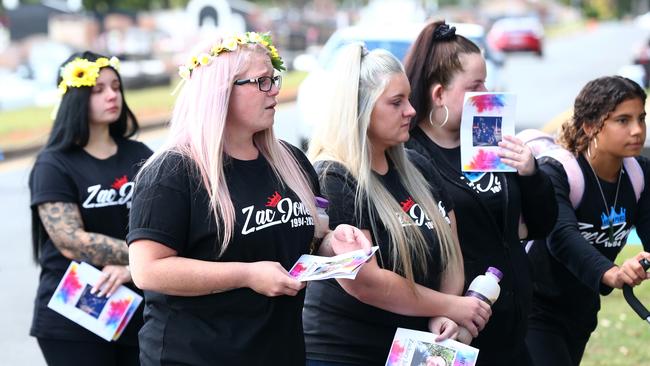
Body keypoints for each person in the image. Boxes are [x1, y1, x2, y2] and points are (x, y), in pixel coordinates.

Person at [126, 32, 369, 366]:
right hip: (195, 356)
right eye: (262, 82)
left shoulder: (290, 161)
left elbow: (306, 240)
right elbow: (148, 270)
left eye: (274, 79)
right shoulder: (173, 172)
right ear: (221, 90)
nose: (275, 90)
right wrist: (246, 275)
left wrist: (333, 244)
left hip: (278, 351)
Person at [303, 43, 492, 366]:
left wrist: (442, 310)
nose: (411, 111)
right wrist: (448, 305)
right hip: (345, 351)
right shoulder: (333, 176)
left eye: (407, 98)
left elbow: (450, 249)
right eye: (396, 102)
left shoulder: (417, 166)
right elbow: (366, 283)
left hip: (414, 348)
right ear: (359, 110)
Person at [403, 21, 557, 366]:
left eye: (487, 80)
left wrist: (531, 173)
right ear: (439, 94)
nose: (487, 92)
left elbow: (541, 224)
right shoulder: (412, 155)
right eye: (475, 85)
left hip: (512, 328)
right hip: (456, 332)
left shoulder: (487, 138)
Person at [29, 51, 152, 365]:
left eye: (115, 86)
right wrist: (147, 259)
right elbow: (71, 240)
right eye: (98, 90)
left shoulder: (140, 154)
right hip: (74, 318)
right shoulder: (53, 164)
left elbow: (169, 226)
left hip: (137, 308)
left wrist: (132, 269)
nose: (112, 95)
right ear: (73, 97)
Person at [525, 75, 650, 366]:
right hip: (534, 307)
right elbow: (562, 237)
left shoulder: (639, 174)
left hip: (581, 308)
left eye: (641, 118)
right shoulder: (557, 172)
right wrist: (612, 273)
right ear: (590, 125)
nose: (637, 130)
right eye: (623, 120)